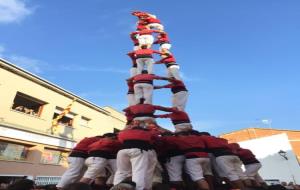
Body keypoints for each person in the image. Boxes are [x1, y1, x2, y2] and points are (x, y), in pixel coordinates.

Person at [113, 126, 156, 190]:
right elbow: (153, 140)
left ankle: (116, 187)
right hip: (138, 150)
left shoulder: (123, 133)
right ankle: (138, 188)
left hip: (122, 151)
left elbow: (121, 140)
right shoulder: (147, 133)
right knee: (138, 171)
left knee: (122, 171)